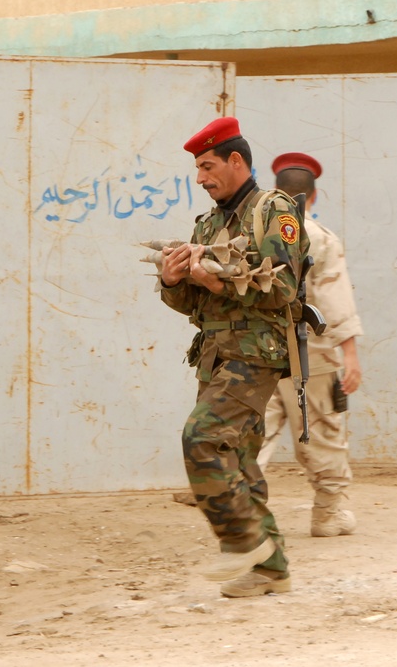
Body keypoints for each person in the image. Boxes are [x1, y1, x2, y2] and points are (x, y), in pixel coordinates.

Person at [159, 117, 309, 598]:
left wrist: (216, 280)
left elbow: (283, 286)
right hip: (215, 354)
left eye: (207, 166)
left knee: (201, 437)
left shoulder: (275, 209)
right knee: (239, 460)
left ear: (236, 160)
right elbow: (194, 306)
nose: (201, 178)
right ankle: (271, 570)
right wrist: (173, 281)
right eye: (197, 169)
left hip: (255, 353)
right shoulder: (207, 223)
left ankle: (242, 544)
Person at [257, 152, 363, 538]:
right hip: (310, 356)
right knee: (323, 433)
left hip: (260, 354)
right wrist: (349, 356)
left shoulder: (253, 233)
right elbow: (335, 303)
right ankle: (328, 514)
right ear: (313, 197)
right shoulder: (320, 239)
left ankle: (243, 516)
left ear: (275, 194)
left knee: (253, 435)